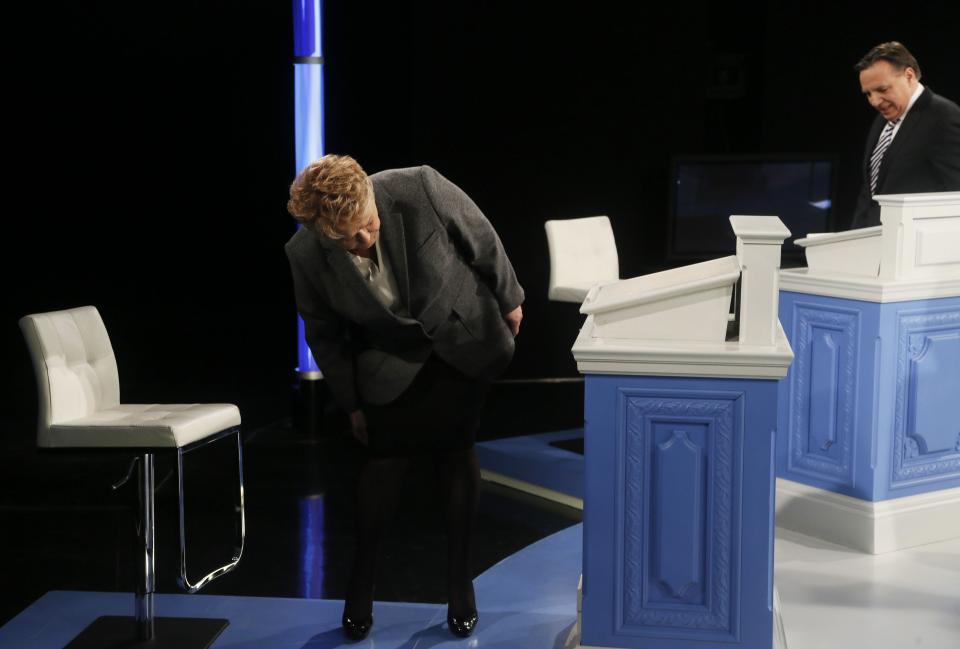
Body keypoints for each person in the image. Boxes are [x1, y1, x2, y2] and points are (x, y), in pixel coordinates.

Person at [285, 155, 523, 640]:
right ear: (323, 233)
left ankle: (460, 584)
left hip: (461, 337)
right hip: (389, 360)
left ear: (373, 199)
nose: (364, 241)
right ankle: (361, 584)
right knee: (384, 460)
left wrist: (511, 297)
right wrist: (350, 401)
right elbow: (324, 335)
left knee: (457, 452)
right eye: (349, 239)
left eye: (368, 226)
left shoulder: (419, 186)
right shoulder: (305, 253)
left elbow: (480, 236)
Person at [849, 41, 960, 229]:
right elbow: (868, 195)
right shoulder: (882, 121)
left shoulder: (943, 116)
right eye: (868, 94)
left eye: (882, 90)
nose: (874, 101)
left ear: (909, 76)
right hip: (872, 244)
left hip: (916, 247)